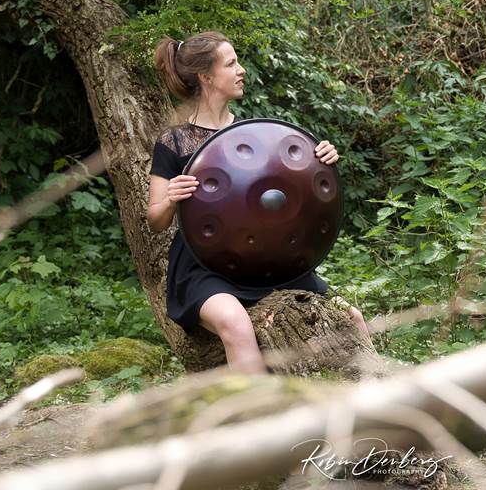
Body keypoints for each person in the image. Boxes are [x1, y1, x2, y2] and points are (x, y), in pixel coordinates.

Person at [147, 31, 368, 373]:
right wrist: (172, 199)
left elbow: (288, 192)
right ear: (207, 77)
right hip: (203, 267)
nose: (242, 70)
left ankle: (380, 400)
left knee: (349, 315)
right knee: (236, 324)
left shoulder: (253, 133)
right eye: (231, 63)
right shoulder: (173, 141)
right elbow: (155, 219)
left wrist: (320, 158)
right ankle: (256, 421)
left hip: (269, 262)